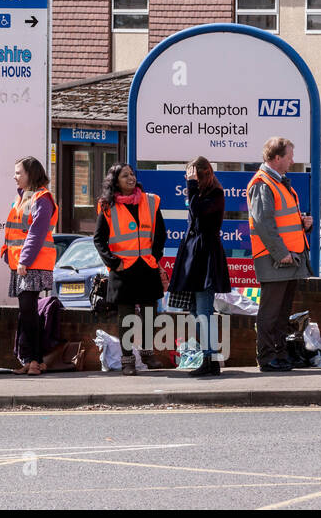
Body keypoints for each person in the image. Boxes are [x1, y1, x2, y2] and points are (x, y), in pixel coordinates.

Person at [247, 137, 315, 373]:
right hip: (275, 258)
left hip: (288, 257)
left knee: (282, 311)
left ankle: (279, 353)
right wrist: (281, 253)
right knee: (270, 311)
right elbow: (264, 224)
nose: (292, 161)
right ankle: (267, 357)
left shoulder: (278, 182)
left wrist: (303, 224)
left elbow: (280, 220)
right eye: (289, 156)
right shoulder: (263, 183)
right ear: (277, 158)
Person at [95, 163, 168, 376]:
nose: (131, 178)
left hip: (146, 266)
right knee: (126, 317)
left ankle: (147, 355)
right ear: (115, 181)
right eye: (125, 175)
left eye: (132, 174)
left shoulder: (151, 201)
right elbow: (99, 239)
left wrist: (155, 256)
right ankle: (127, 361)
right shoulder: (107, 206)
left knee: (149, 314)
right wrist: (112, 262)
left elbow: (161, 233)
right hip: (123, 269)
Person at [167, 157, 229, 377]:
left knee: (204, 310)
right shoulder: (198, 194)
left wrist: (191, 187)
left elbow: (199, 216)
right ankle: (209, 355)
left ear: (203, 173)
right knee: (194, 309)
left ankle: (210, 360)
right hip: (193, 256)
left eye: (192, 175)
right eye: (187, 176)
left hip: (206, 256)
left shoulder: (216, 194)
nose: (188, 179)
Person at [3, 156, 57, 376]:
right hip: (22, 263)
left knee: (28, 312)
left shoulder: (42, 199)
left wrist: (24, 259)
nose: (15, 176)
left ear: (30, 174)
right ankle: (31, 359)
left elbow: (37, 232)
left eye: (19, 173)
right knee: (27, 313)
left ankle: (35, 360)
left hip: (32, 263)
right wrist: (10, 257)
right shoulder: (24, 198)